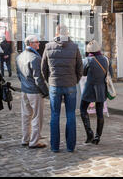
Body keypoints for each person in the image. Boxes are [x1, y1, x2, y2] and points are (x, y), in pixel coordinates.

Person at [41, 24, 83, 153]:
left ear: (57, 33)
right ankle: (70, 147)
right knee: (71, 115)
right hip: (70, 84)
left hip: (55, 85)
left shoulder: (48, 46)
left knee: (55, 115)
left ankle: (55, 147)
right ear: (67, 32)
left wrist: (50, 80)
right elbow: (80, 68)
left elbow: (43, 68)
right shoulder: (74, 47)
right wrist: (75, 80)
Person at [16, 35, 49, 149]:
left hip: (24, 89)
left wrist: (24, 85)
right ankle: (34, 141)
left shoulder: (19, 56)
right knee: (36, 116)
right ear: (31, 44)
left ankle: (25, 139)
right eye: (37, 42)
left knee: (26, 115)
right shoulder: (35, 58)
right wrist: (45, 91)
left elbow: (19, 75)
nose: (39, 44)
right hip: (34, 91)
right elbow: (38, 79)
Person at [80, 40, 112, 145]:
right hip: (101, 88)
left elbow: (83, 73)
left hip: (89, 88)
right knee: (100, 113)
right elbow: (110, 73)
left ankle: (89, 133)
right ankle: (98, 137)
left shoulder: (88, 60)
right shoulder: (106, 59)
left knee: (83, 109)